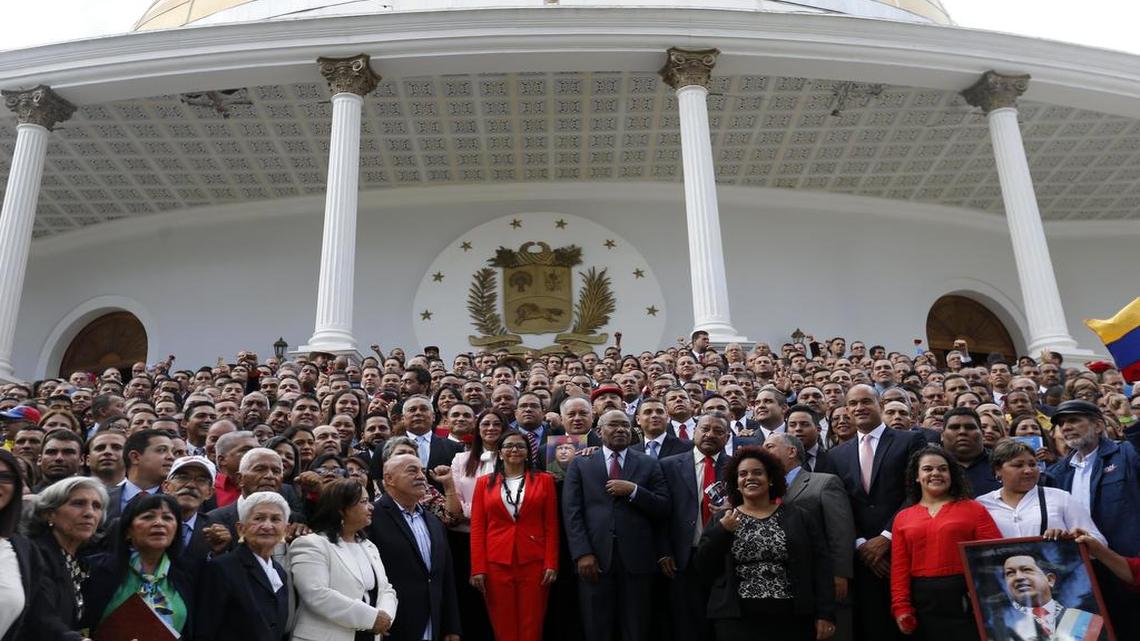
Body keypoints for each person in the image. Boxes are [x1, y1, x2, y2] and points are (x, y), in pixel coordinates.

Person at [694, 446, 835, 641]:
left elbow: (821, 566)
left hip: (791, 617)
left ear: (770, 479)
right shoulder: (722, 519)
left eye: (758, 472)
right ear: (736, 483)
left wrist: (825, 614)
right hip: (736, 619)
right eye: (743, 474)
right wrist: (722, 531)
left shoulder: (799, 517)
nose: (750, 477)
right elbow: (702, 567)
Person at [829, 385, 926, 641]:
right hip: (864, 561)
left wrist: (886, 537)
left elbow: (916, 491)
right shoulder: (837, 455)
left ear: (879, 404)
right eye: (853, 404)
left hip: (904, 549)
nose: (859, 408)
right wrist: (861, 544)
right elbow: (840, 506)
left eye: (865, 401)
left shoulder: (909, 440)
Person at [562, 409, 670, 641]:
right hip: (595, 560)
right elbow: (572, 512)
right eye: (614, 425)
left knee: (637, 629)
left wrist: (634, 491)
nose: (621, 429)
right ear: (599, 431)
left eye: (625, 425)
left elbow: (663, 507)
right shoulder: (581, 463)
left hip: (637, 561)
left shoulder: (648, 463)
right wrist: (582, 553)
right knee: (597, 628)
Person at [890, 447, 1001, 641]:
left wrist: (984, 594)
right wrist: (901, 607)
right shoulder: (902, 517)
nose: (935, 473)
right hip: (923, 601)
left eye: (942, 469)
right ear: (917, 476)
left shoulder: (974, 509)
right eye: (927, 469)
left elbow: (994, 556)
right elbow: (899, 568)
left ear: (951, 474)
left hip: (967, 600)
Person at [763, 433, 856, 641]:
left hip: (823, 580)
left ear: (791, 451)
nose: (764, 452)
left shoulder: (824, 482)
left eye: (769, 446)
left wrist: (840, 573)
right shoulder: (763, 493)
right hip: (785, 588)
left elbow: (840, 531)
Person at [470, 430, 560, 641]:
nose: (514, 450)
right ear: (500, 453)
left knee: (532, 621)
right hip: (496, 562)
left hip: (534, 561)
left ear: (528, 452)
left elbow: (551, 525)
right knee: (502, 622)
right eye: (509, 446)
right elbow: (477, 528)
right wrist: (478, 568)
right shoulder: (484, 483)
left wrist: (551, 563)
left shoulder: (544, 480)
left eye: (520, 446)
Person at [367, 453, 462, 641]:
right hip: (389, 624)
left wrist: (452, 626)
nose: (421, 476)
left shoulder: (434, 522)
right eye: (412, 471)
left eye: (422, 471)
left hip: (432, 624)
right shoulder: (371, 517)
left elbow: (445, 577)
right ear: (389, 479)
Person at [289, 479, 397, 641]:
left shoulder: (369, 546)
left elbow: (386, 589)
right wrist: (371, 618)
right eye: (364, 501)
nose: (371, 506)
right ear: (341, 509)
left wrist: (385, 617)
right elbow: (316, 593)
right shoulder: (310, 544)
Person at [657, 412, 732, 641]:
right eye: (705, 429)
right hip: (683, 558)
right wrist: (664, 551)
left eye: (718, 431)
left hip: (726, 558)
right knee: (686, 624)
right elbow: (661, 513)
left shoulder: (739, 466)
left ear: (728, 437)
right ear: (694, 432)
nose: (710, 434)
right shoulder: (668, 466)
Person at [82, 493, 194, 639]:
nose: (159, 523)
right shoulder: (95, 570)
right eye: (148, 517)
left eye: (167, 518)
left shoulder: (190, 574)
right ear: (128, 531)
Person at [194, 491, 291, 641]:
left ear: (285, 529)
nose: (267, 526)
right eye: (259, 518)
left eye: (275, 519)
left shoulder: (279, 572)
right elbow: (205, 630)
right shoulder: (221, 568)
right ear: (241, 528)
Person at [26, 476, 108, 640]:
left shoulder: (81, 563)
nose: (89, 513)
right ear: (49, 514)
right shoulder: (35, 555)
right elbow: (40, 618)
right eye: (78, 503)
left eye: (96, 506)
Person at [977, 440, 1104, 542]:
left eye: (1032, 464)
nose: (1028, 470)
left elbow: (1098, 541)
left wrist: (1069, 538)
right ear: (998, 470)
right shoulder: (982, 504)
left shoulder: (1060, 498)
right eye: (1018, 465)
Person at [993, 550, 1106, 641]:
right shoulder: (1003, 628)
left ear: (1050, 579)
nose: (1018, 577)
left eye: (1027, 570)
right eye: (1010, 573)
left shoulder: (1087, 621)